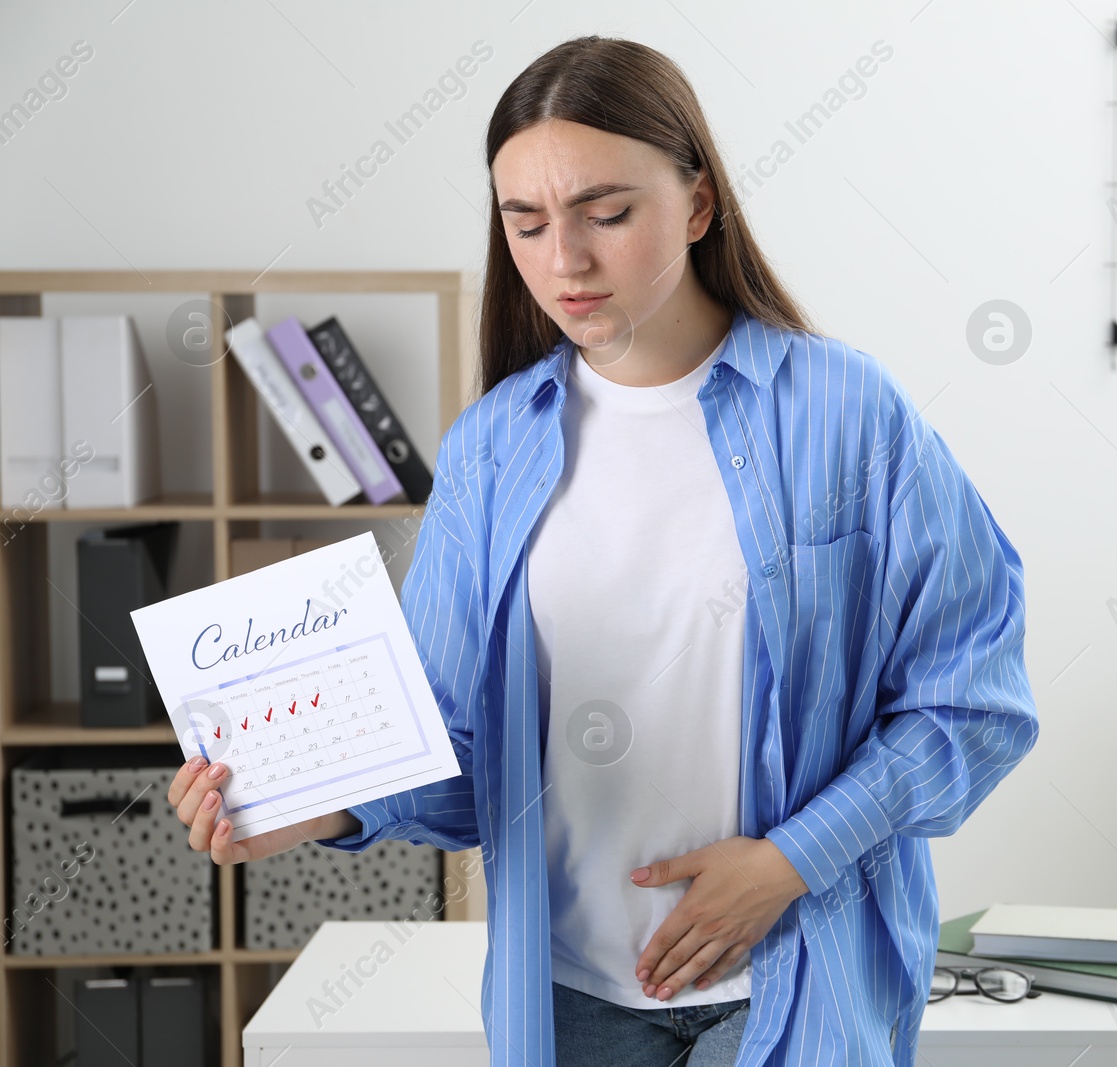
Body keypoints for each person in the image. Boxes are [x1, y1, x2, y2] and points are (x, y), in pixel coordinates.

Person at [165, 34, 1039, 1067]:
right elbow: (456, 751)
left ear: (698, 204)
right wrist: (312, 804)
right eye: (525, 223)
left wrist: (788, 861)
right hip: (570, 997)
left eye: (606, 213)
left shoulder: (850, 413)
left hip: (796, 974)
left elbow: (973, 702)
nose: (563, 260)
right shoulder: (491, 449)